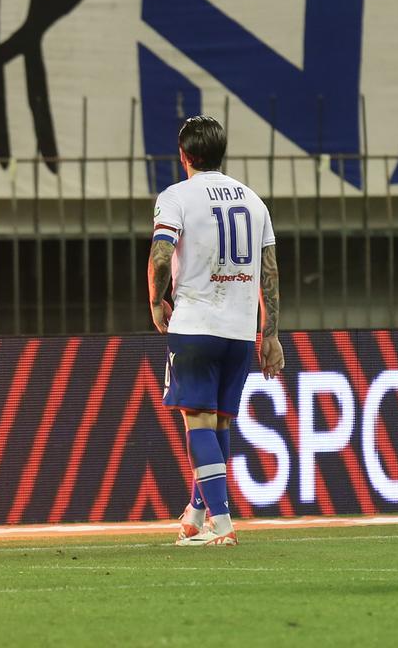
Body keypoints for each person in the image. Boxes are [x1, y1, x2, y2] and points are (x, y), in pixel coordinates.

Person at [149, 115, 283, 548]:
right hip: (240, 330)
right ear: (222, 153)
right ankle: (196, 513)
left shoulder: (177, 197)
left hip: (196, 324)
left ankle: (221, 526)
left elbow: (162, 254)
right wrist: (271, 333)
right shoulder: (254, 201)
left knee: (199, 424)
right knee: (220, 424)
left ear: (184, 155)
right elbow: (270, 271)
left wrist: (157, 299)